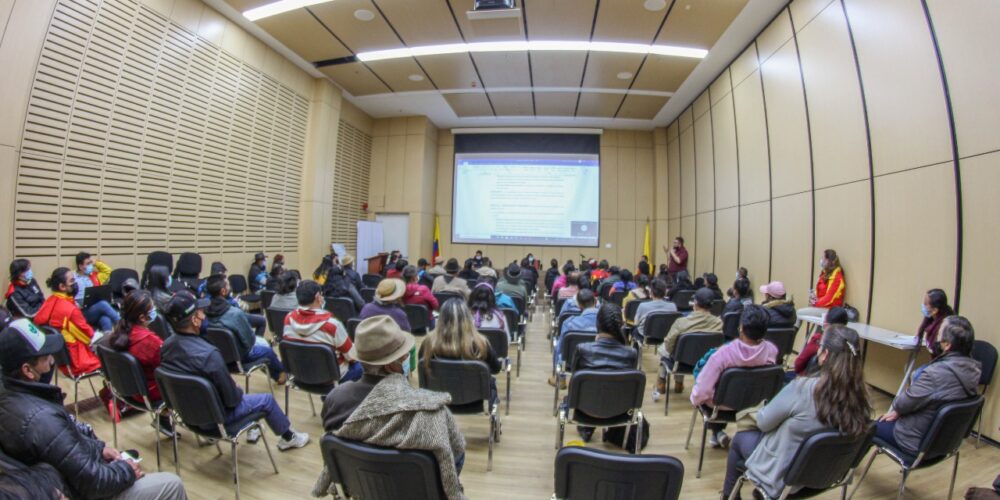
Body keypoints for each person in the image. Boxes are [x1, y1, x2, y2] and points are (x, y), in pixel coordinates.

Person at [0, 319, 188, 499]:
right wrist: (126, 470)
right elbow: (93, 482)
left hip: (62, 480)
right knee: (171, 484)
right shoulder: (41, 419)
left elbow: (64, 446)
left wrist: (98, 448)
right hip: (79, 491)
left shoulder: (12, 395)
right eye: (46, 356)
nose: (52, 361)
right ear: (27, 370)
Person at [319, 315, 467, 500]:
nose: (407, 358)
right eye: (404, 354)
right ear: (391, 365)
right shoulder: (431, 408)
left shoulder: (334, 399)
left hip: (362, 489)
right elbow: (456, 453)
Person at [722, 325, 871, 499]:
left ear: (825, 355)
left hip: (785, 476)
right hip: (826, 473)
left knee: (740, 438)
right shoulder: (864, 398)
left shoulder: (802, 389)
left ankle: (729, 496)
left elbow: (763, 422)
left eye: (820, 346)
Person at [160, 292, 309, 450]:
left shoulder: (166, 347)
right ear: (195, 320)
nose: (204, 315)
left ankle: (251, 427)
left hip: (187, 416)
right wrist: (235, 389)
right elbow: (232, 400)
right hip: (217, 420)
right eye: (201, 312)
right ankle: (289, 438)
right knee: (266, 400)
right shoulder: (209, 355)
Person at [876, 315, 980, 458]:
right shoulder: (973, 371)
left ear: (947, 345)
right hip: (945, 444)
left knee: (869, 427)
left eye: (939, 334)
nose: (936, 337)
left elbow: (901, 403)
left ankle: (844, 472)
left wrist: (899, 409)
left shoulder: (935, 374)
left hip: (915, 442)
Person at [691, 305, 779, 448]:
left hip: (721, 406)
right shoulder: (771, 350)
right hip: (755, 404)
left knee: (704, 392)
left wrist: (694, 399)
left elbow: (702, 391)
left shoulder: (722, 354)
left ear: (741, 328)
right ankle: (720, 434)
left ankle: (717, 432)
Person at [569, 303, 639, 442]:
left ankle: (587, 428)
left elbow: (574, 382)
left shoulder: (582, 349)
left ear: (597, 323)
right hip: (620, 411)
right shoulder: (631, 353)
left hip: (583, 410)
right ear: (621, 325)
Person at [107, 290, 174, 434]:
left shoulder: (118, 333)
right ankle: (206, 425)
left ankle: (163, 420)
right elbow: (167, 368)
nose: (155, 312)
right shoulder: (149, 342)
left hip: (126, 389)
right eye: (153, 309)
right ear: (143, 317)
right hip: (150, 393)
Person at [203, 275, 287, 384]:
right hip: (239, 358)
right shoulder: (235, 314)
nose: (230, 287)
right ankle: (280, 375)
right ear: (223, 291)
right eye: (228, 284)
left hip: (218, 357)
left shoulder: (203, 313)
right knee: (268, 350)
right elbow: (250, 341)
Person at [420, 299, 502, 404]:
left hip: (438, 401)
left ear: (440, 319)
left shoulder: (428, 343)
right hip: (474, 402)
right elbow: (496, 369)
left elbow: (422, 367)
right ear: (468, 319)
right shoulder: (481, 344)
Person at [283, 280, 361, 382]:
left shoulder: (288, 319)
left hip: (300, 375)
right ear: (317, 297)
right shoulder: (332, 325)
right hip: (331, 379)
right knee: (362, 366)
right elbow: (352, 357)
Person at [654, 288, 724, 398]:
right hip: (706, 363)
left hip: (682, 364)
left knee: (665, 349)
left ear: (695, 303)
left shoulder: (681, 322)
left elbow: (668, 344)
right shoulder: (719, 323)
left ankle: (663, 381)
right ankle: (678, 383)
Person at [35, 268, 102, 375]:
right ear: (62, 287)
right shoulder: (70, 310)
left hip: (58, 360)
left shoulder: (49, 301)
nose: (75, 283)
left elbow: (38, 321)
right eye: (72, 281)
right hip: (77, 361)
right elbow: (89, 337)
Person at [550, 289, 599, 387]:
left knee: (557, 346)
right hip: (599, 362)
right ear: (595, 301)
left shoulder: (569, 323)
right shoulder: (605, 322)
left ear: (579, 305)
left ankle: (561, 379)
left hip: (571, 363)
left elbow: (561, 349)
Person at [793, 306, 848, 378]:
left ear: (826, 322)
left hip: (811, 380)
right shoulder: (847, 343)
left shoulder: (818, 339)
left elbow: (798, 364)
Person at [73, 252, 120, 332]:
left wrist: (96, 263)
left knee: (106, 319)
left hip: (95, 309)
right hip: (82, 312)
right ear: (80, 266)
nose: (90, 265)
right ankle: (123, 324)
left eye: (91, 263)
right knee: (103, 304)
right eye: (88, 263)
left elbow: (108, 271)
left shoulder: (94, 276)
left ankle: (107, 340)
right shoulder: (74, 279)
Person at [798, 249, 846, 318]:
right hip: (822, 307)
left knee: (799, 313)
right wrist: (814, 297)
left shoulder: (837, 278)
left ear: (828, 261)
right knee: (803, 312)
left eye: (823, 258)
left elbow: (829, 298)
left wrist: (816, 303)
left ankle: (794, 329)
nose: (821, 260)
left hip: (830, 310)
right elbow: (820, 291)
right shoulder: (825, 273)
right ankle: (794, 328)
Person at [917, 288, 955, 356]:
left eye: (925, 304)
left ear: (935, 310)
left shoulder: (945, 326)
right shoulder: (931, 321)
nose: (923, 305)